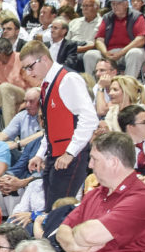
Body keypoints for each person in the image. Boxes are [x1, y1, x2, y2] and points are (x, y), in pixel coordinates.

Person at [20, 40, 97, 207]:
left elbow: (89, 118)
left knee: (59, 212)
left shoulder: (68, 79)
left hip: (70, 157)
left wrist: (70, 153)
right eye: (25, 68)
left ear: (44, 60)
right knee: (50, 210)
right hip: (55, 156)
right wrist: (40, 153)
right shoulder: (46, 85)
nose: (28, 72)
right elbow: (51, 127)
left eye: (30, 66)